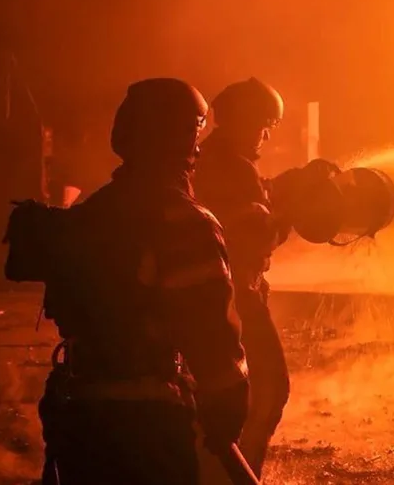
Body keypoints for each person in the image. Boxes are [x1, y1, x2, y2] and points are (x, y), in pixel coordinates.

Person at [26, 78, 250, 485]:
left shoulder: (93, 212)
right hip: (148, 422)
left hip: (80, 416)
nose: (198, 147)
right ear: (179, 138)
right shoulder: (184, 221)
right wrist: (228, 406)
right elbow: (212, 331)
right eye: (193, 133)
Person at [193, 77, 291, 478]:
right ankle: (239, 476)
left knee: (222, 395)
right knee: (268, 390)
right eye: (261, 123)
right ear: (238, 121)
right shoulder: (232, 167)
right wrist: (285, 218)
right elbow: (254, 236)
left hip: (215, 295)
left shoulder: (206, 159)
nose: (265, 134)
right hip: (237, 298)